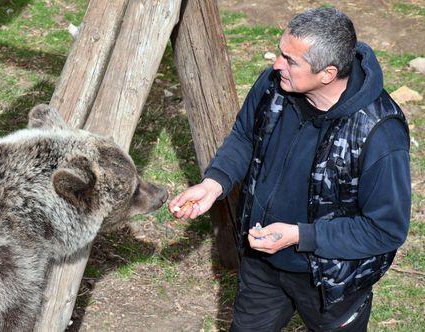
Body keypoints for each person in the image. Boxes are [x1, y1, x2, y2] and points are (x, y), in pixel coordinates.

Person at [169, 7, 410, 332]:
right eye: (281, 53)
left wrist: (300, 236)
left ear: (327, 73)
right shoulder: (274, 86)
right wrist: (214, 183)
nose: (276, 64)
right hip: (261, 264)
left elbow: (385, 229)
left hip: (331, 283)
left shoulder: (379, 133)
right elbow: (244, 135)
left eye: (290, 60)